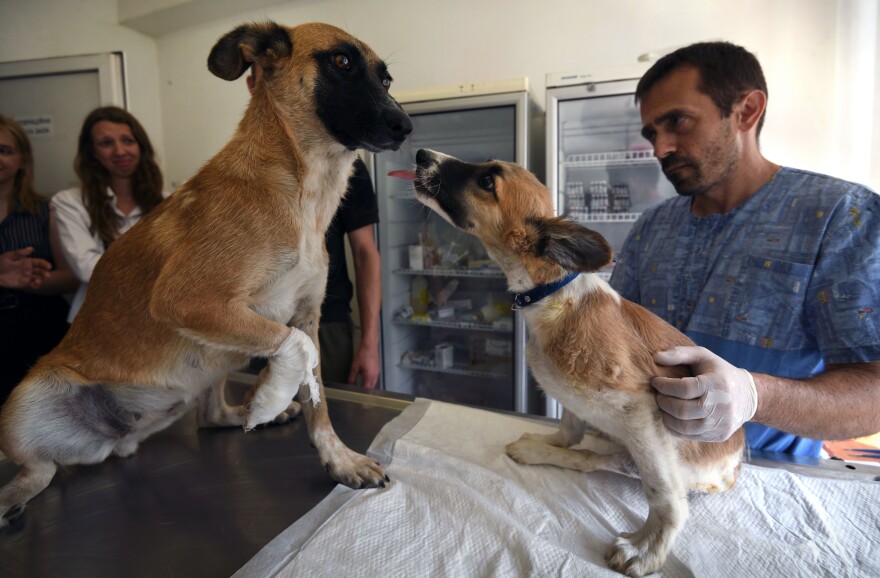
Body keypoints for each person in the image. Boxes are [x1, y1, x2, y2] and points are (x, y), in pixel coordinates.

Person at [610, 41, 880, 457]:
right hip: (648, 467)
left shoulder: (841, 217)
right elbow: (616, 340)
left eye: (677, 121)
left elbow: (874, 392)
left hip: (766, 478)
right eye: (652, 133)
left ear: (747, 111)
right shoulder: (652, 228)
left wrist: (754, 396)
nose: (660, 148)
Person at [245, 67, 383, 389]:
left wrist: (369, 344)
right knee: (256, 414)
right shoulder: (242, 167)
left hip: (324, 323)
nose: (280, 83)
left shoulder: (345, 166)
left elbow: (365, 254)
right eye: (269, 74)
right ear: (253, 84)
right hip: (254, 326)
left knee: (327, 412)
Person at [52, 106, 168, 322]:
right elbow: (86, 268)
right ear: (93, 153)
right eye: (106, 143)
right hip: (99, 324)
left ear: (140, 146)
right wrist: (157, 265)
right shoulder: (69, 202)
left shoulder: (168, 202)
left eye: (128, 141)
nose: (120, 151)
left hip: (156, 323)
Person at [0, 115, 79, 404]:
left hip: (40, 330)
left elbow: (70, 278)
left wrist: (32, 280)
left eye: (5, 150)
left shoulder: (47, 210)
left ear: (22, 159)